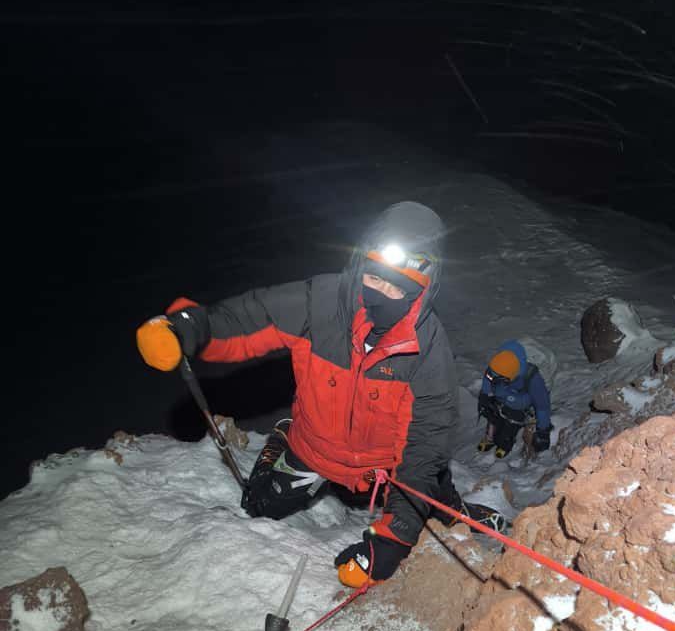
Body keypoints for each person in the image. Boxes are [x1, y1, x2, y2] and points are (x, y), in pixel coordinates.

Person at [136, 201, 505, 589]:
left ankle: (458, 510)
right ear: (360, 264)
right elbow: (253, 317)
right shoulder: (322, 302)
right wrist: (192, 328)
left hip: (386, 469)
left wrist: (392, 540)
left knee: (432, 505)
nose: (383, 293)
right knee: (256, 506)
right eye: (375, 278)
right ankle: (280, 442)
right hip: (314, 450)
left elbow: (424, 447)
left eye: (399, 287)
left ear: (423, 292)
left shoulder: (429, 349)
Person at [477, 340, 552, 458]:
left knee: (514, 412)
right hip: (507, 390)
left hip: (522, 396)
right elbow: (488, 378)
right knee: (492, 408)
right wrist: (485, 395)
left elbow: (542, 406)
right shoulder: (499, 364)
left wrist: (543, 431)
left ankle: (506, 440)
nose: (493, 379)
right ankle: (492, 433)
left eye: (499, 379)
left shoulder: (533, 378)